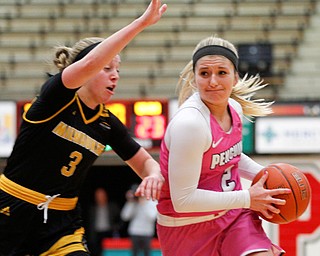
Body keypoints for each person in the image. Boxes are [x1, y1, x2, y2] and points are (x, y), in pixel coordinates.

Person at [0, 1, 167, 255]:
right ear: (83, 68)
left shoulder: (107, 123)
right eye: (107, 67)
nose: (115, 75)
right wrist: (140, 24)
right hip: (12, 209)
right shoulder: (55, 98)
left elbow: (146, 163)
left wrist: (154, 175)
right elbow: (89, 64)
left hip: (62, 221)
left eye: (118, 70)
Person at [156, 35, 291, 256]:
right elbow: (183, 200)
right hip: (186, 228)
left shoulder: (235, 109)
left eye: (222, 72)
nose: (213, 82)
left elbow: (233, 156)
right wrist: (248, 198)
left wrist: (270, 177)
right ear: (194, 78)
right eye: (204, 74)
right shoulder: (190, 124)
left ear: (235, 77)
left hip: (233, 216)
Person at [121, 184, 157, 256]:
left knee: (147, 253)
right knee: (134, 253)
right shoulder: (132, 202)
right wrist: (130, 202)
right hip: (134, 232)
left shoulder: (152, 201)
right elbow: (124, 216)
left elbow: (152, 217)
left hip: (147, 233)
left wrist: (144, 203)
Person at [88, 188, 120, 256]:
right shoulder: (92, 208)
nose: (100, 198)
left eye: (102, 195)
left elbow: (120, 218)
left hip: (109, 232)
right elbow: (90, 223)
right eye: (98, 196)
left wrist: (116, 228)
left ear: (106, 196)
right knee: (97, 252)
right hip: (97, 233)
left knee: (110, 252)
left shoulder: (112, 206)